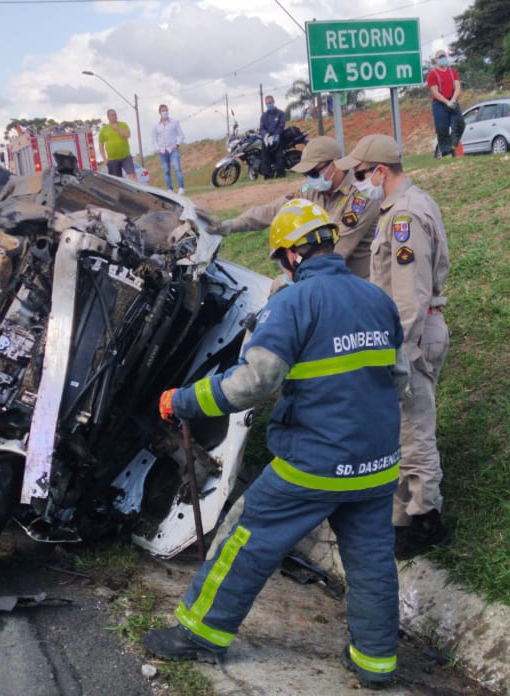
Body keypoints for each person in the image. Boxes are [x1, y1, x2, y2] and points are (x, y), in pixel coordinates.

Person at [142, 199, 407, 690]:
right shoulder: (377, 299)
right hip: (376, 465)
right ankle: (376, 664)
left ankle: (201, 632)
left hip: (314, 464)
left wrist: (185, 401)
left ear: (290, 255)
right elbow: (399, 379)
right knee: (371, 562)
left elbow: (254, 384)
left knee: (247, 537)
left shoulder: (292, 303)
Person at [334, 134, 451, 560]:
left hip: (411, 336)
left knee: (414, 431)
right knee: (402, 429)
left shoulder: (404, 217)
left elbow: (409, 298)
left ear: (380, 171)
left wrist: (394, 352)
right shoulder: (402, 207)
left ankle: (426, 522)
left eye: (361, 174)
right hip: (406, 333)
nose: (358, 182)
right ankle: (402, 517)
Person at [205, 136, 381, 279]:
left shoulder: (361, 197)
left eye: (313, 173)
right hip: (322, 278)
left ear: (333, 165)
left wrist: (290, 278)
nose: (310, 179)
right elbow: (273, 210)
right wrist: (230, 225)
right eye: (306, 174)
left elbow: (337, 250)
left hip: (355, 285)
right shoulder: (312, 192)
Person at [427, 50, 463, 158]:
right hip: (440, 104)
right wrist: (446, 102)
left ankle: (452, 147)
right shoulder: (432, 75)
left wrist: (453, 100)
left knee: (460, 125)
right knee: (442, 129)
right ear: (436, 60)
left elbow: (457, 87)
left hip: (452, 101)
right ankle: (446, 152)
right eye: (440, 57)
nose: (442, 59)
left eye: (444, 56)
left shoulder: (453, 72)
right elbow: (435, 92)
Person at [152, 103, 186, 194]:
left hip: (173, 149)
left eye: (166, 110)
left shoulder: (174, 122)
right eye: (163, 111)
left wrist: (177, 144)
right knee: (166, 171)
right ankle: (170, 189)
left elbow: (181, 135)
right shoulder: (156, 126)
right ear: (159, 112)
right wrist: (158, 148)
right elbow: (154, 139)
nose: (165, 112)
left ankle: (181, 187)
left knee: (177, 168)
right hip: (162, 151)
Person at [98, 109, 136, 180]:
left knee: (132, 175)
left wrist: (117, 128)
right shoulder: (104, 129)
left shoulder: (123, 124)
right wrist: (104, 158)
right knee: (116, 179)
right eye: (112, 115)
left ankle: (136, 190)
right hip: (112, 159)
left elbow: (127, 135)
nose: (114, 116)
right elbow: (101, 145)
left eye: (115, 114)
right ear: (108, 117)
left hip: (125, 156)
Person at [258, 94, 287, 178]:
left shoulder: (280, 114)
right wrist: (265, 135)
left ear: (273, 102)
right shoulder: (264, 116)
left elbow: (281, 126)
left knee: (279, 157)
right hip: (267, 139)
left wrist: (275, 135)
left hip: (278, 137)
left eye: (270, 103)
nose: (268, 105)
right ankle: (268, 175)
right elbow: (261, 127)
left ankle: (280, 174)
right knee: (265, 157)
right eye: (267, 103)